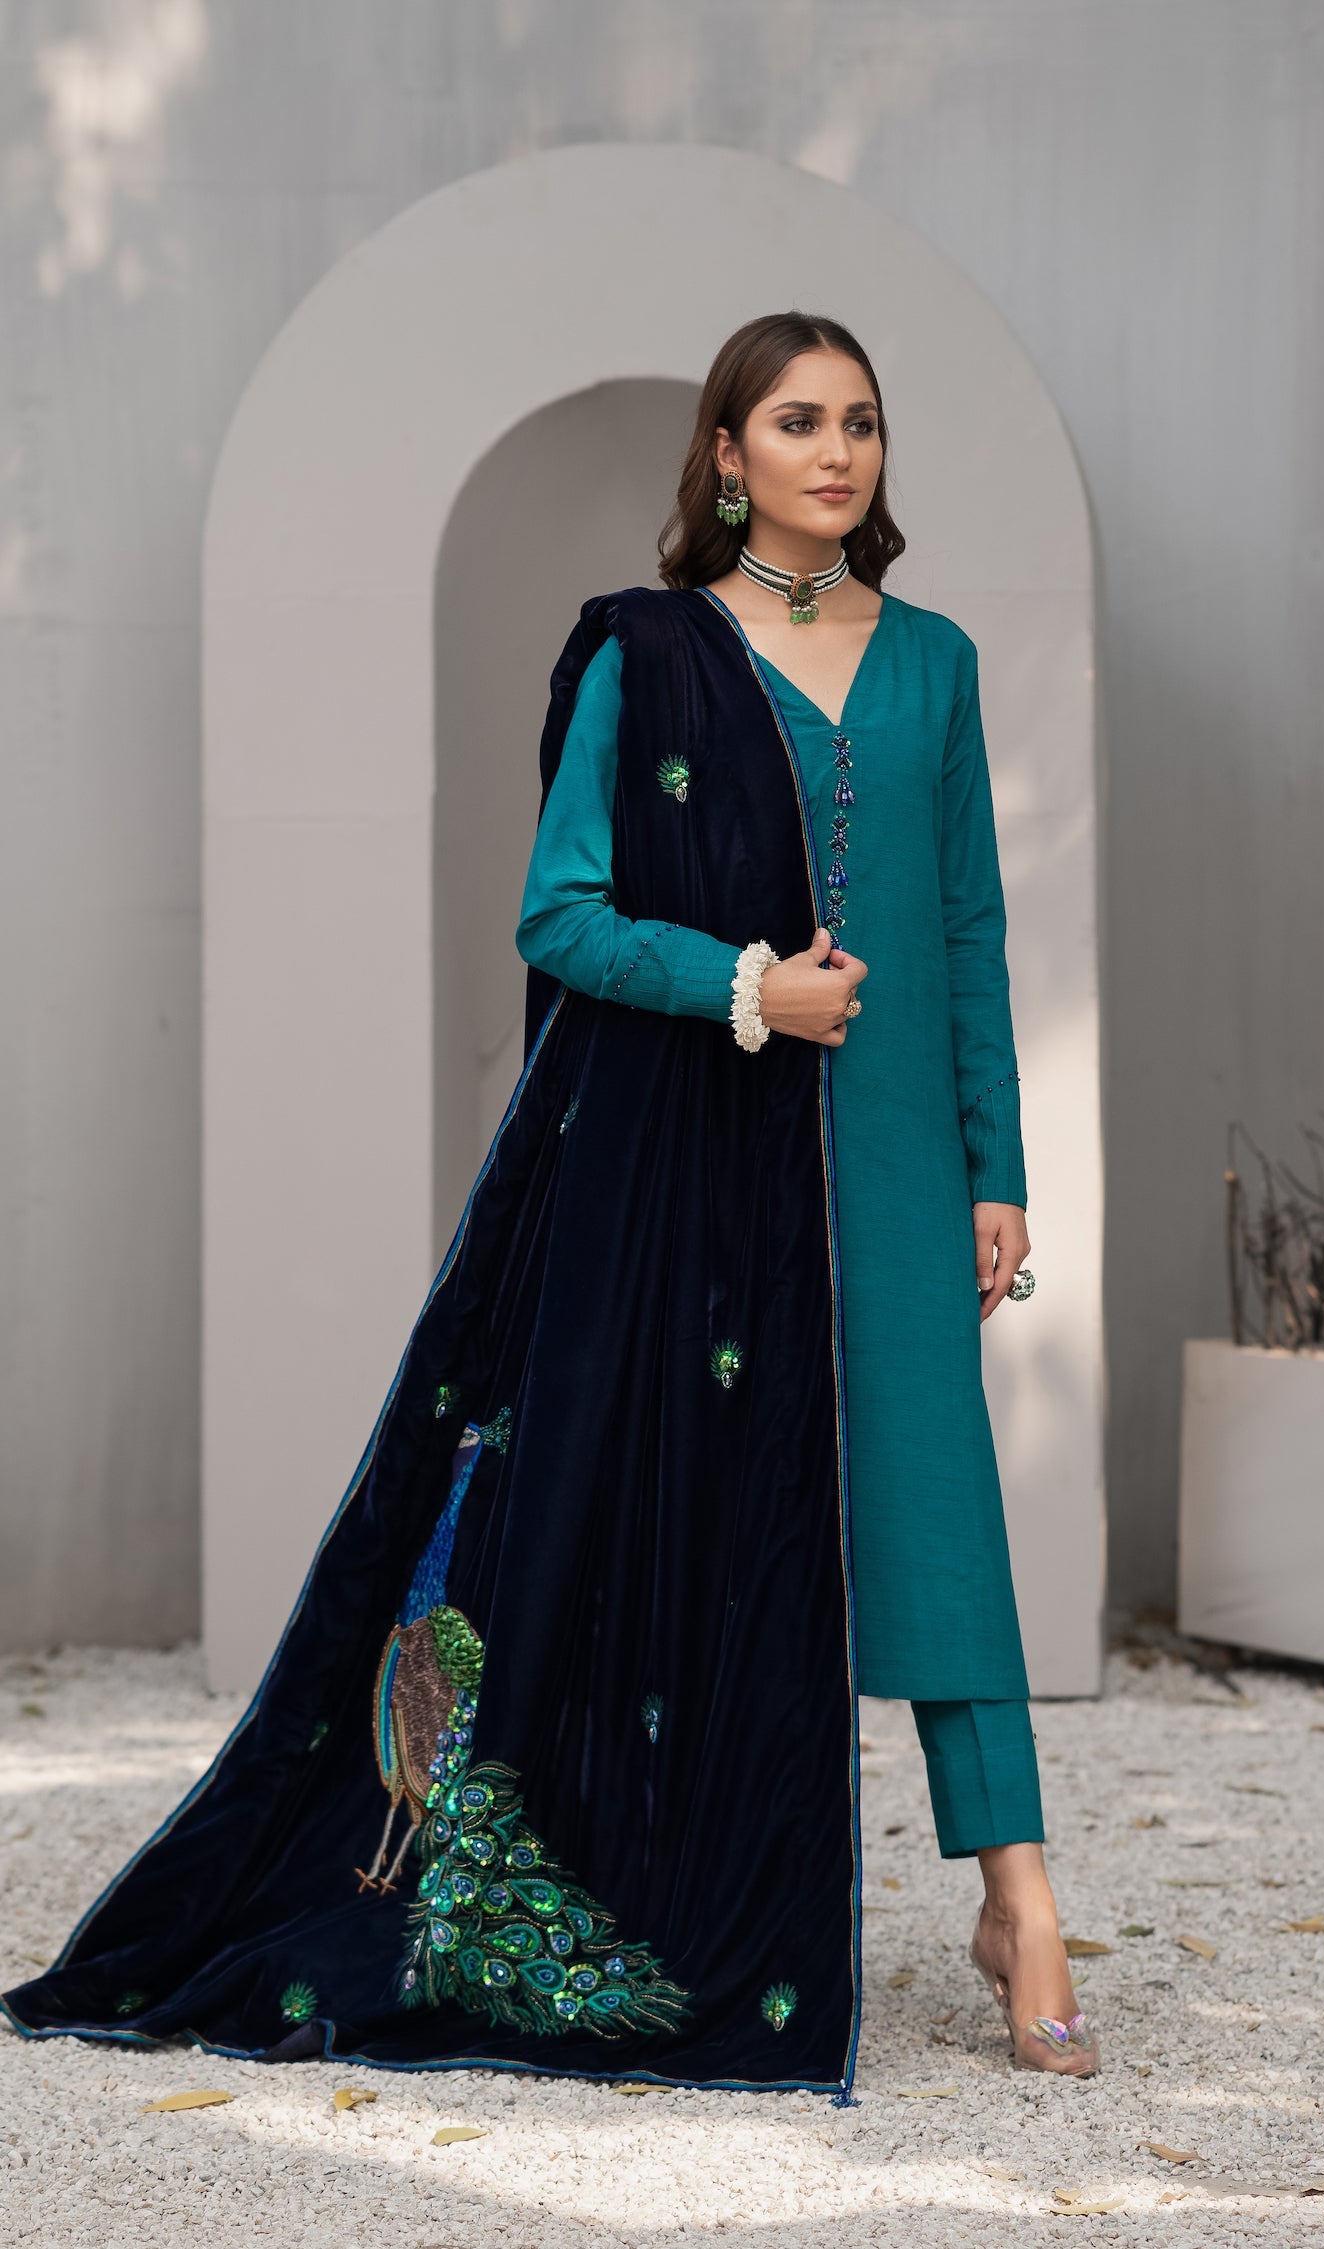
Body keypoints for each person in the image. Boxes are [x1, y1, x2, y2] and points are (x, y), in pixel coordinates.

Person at [2, 310, 1095, 2094]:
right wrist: (750, 988)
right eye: (797, 422)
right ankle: (691, 1887)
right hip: (705, 1165)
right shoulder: (646, 655)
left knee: (938, 1521)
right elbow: (560, 912)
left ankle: (1020, 1897)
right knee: (711, 1533)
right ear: (725, 454)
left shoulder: (937, 662)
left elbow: (972, 929)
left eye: (862, 423)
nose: (837, 452)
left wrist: (999, 1170)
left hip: (896, 1158)